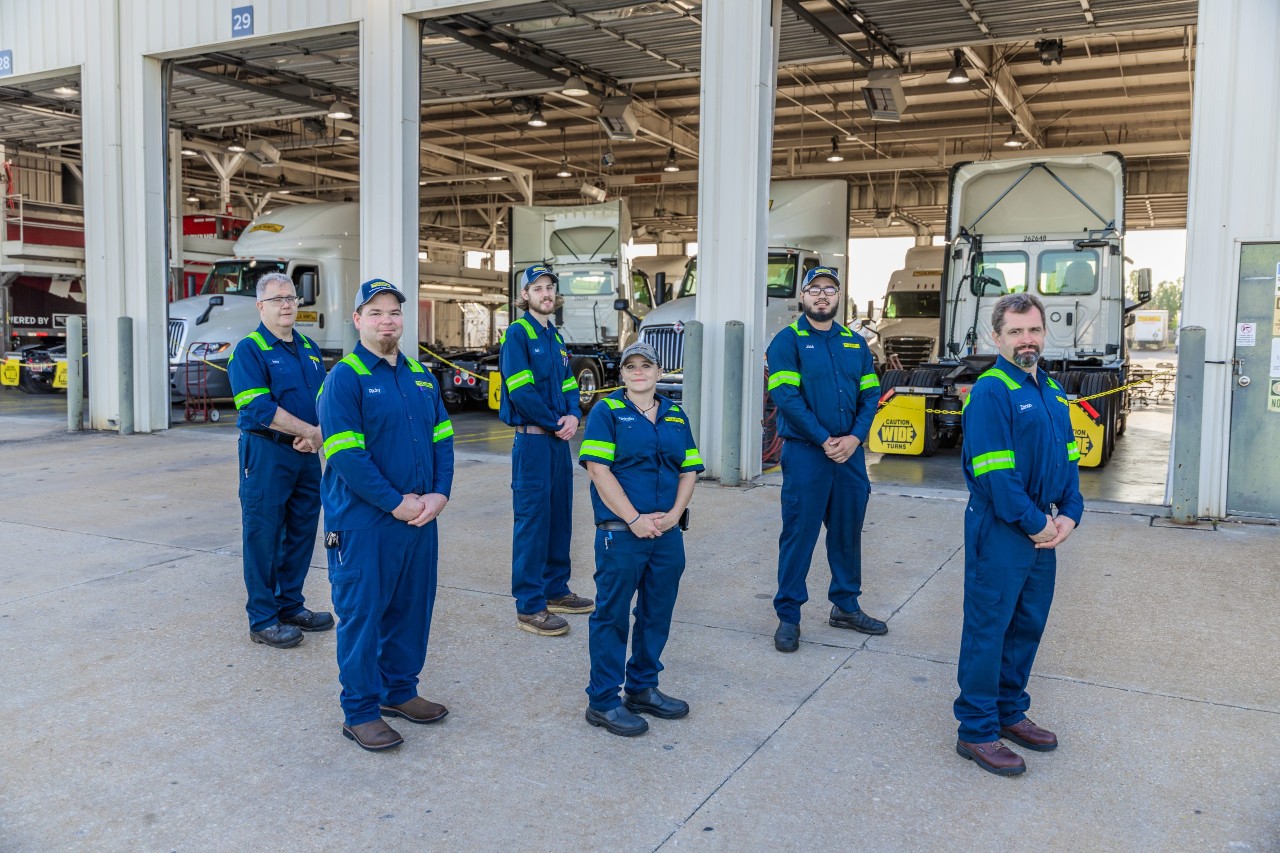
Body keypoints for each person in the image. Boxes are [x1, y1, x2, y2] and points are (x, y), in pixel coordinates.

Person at [317, 279, 455, 752]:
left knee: (411, 608)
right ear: (357, 320)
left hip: (420, 517)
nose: (387, 320)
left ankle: (400, 691)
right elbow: (346, 454)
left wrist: (439, 494)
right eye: (375, 312)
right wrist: (396, 502)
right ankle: (359, 711)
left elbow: (443, 440)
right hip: (365, 522)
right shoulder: (345, 378)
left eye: (394, 312)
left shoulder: (419, 376)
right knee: (362, 613)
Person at [954, 292, 1083, 776]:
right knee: (989, 627)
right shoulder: (992, 390)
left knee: (1025, 625)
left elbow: (1068, 458)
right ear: (997, 336)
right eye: (1015, 332)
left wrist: (1071, 512)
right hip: (1003, 529)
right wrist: (1036, 524)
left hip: (1044, 527)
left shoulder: (1051, 390)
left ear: (1044, 334)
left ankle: (1010, 711)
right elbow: (995, 475)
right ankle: (977, 729)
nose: (1026, 340)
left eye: (1033, 330)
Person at [578, 341, 704, 736]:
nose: (638, 372)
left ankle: (642, 688)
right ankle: (602, 701)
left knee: (656, 613)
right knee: (612, 615)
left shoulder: (675, 414)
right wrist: (633, 519)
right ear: (622, 374)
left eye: (645, 365)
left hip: (666, 534)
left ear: (659, 370)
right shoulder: (607, 411)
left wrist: (671, 518)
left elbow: (689, 470)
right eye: (630, 366)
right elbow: (598, 470)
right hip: (623, 534)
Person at [766, 266, 887, 653]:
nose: (822, 296)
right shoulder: (787, 341)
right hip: (806, 454)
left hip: (849, 455)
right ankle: (789, 616)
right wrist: (823, 439)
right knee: (799, 534)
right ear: (802, 297)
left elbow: (870, 397)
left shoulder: (855, 344)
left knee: (847, 531)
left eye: (829, 290)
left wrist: (853, 439)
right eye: (814, 289)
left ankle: (846, 607)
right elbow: (786, 397)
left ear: (839, 298)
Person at [227, 271, 332, 649]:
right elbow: (257, 406)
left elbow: (323, 399)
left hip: (305, 455)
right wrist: (308, 432)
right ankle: (262, 618)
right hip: (267, 452)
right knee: (263, 535)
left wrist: (315, 433)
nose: (287, 304)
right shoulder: (249, 349)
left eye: (290, 298)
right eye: (277, 299)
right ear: (260, 307)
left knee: (302, 531)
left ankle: (290, 604)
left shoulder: (308, 347)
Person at [498, 264, 594, 637]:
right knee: (532, 522)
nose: (546, 293)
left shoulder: (555, 338)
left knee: (559, 517)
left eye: (550, 287)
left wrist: (573, 414)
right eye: (538, 288)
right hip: (534, 441)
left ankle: (555, 589)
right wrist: (558, 423)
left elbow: (570, 385)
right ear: (525, 296)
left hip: (556, 441)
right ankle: (530, 605)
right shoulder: (518, 335)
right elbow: (521, 391)